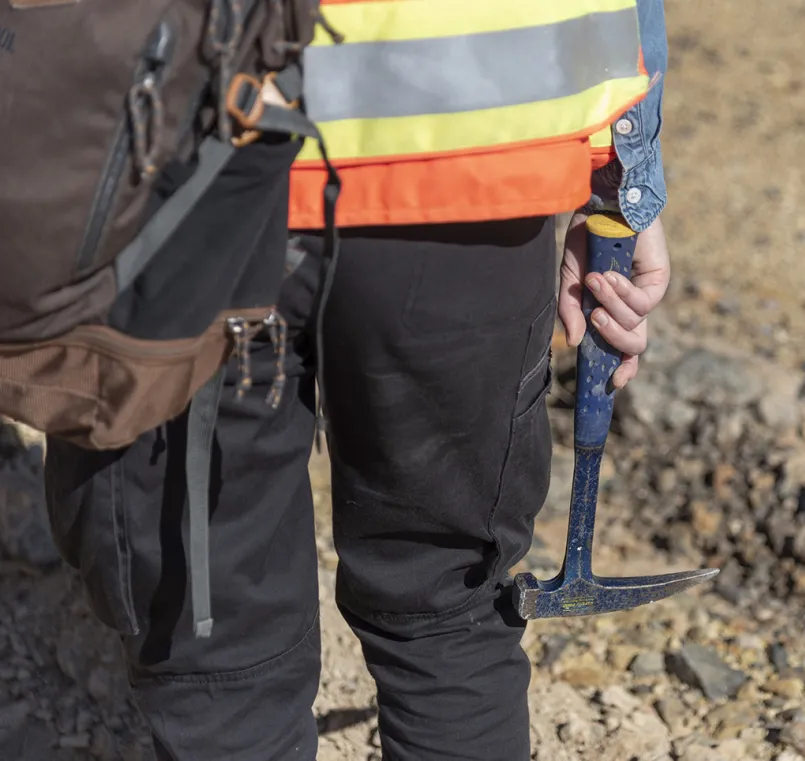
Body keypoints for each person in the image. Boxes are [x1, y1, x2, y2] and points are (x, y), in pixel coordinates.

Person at [41, 1, 671, 759]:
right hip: (474, 149)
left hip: (168, 157)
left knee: (209, 640)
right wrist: (626, 177)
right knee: (449, 616)